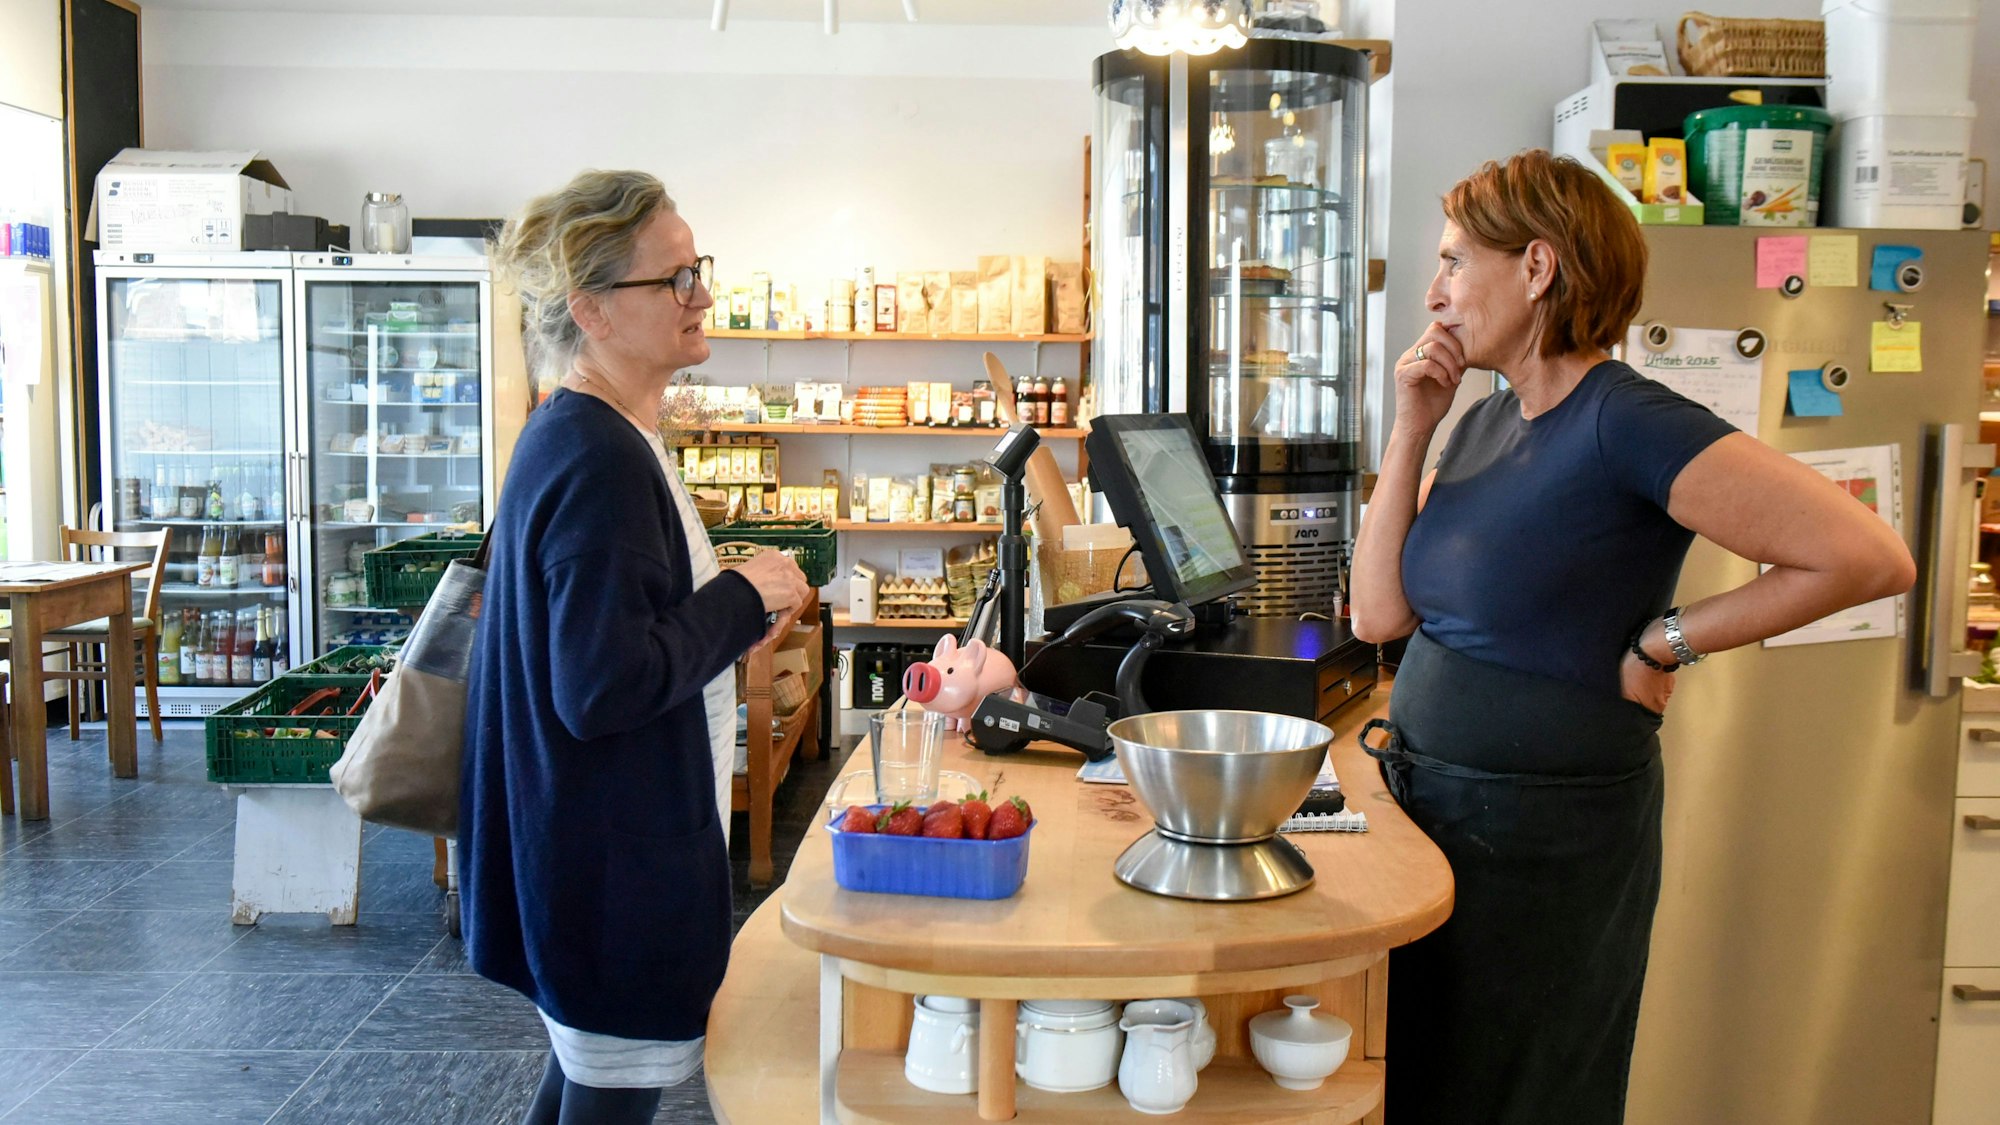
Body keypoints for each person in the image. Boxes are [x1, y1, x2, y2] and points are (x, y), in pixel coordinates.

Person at [1348, 149, 1915, 1124]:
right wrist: (1409, 426)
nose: (1434, 294)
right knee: (1434, 1086)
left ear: (1535, 269)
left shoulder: (1625, 420)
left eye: (1451, 262)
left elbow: (1865, 557)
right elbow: (1377, 616)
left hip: (1546, 847)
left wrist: (1665, 642)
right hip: (1438, 816)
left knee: (1528, 1096)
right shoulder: (1481, 422)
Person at [464, 169, 812, 1125]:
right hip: (611, 866)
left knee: (589, 1080)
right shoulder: (599, 456)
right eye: (675, 280)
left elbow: (616, 626)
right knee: (610, 1089)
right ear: (593, 311)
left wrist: (729, 606)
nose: (702, 296)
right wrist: (741, 598)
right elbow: (601, 683)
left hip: (587, 849)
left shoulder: (595, 432)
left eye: (699, 270)